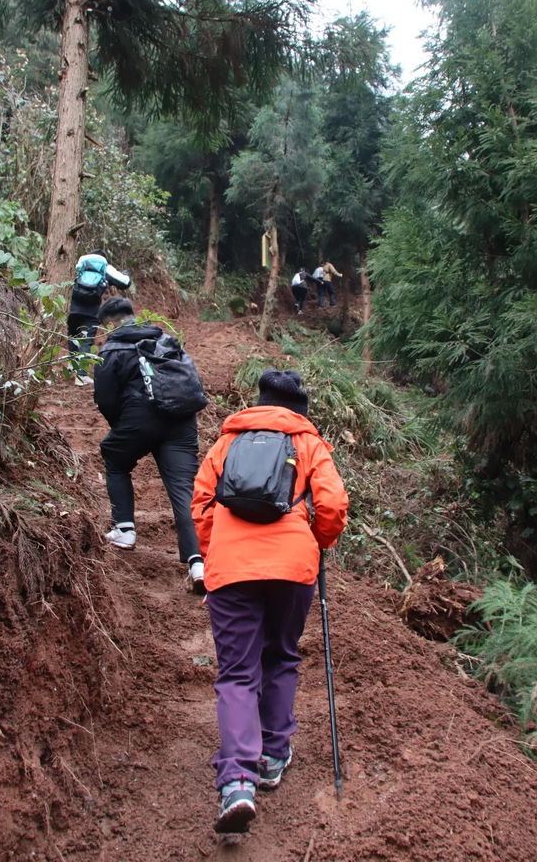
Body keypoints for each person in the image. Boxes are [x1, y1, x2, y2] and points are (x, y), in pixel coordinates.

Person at [192, 369, 348, 833]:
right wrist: (316, 541)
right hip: (293, 569)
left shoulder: (227, 442)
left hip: (232, 568)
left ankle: (237, 781)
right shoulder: (308, 443)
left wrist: (215, 548)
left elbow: (200, 503)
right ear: (299, 409)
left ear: (258, 401)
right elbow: (334, 506)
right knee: (281, 655)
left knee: (238, 671)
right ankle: (273, 755)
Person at [93, 297, 206, 594]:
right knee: (184, 488)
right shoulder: (165, 338)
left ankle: (125, 529)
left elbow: (104, 399)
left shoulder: (112, 349)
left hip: (138, 419)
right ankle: (198, 564)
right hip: (181, 419)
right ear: (133, 315)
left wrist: (123, 426)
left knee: (114, 456)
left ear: (109, 323)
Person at [67, 250, 131, 385]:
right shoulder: (104, 267)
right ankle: (81, 376)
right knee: (86, 340)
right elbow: (125, 282)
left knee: (73, 335)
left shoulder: (80, 264)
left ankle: (72, 366)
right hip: (91, 311)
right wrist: (126, 274)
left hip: (72, 307)